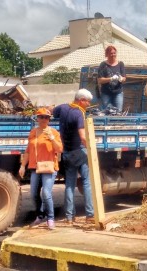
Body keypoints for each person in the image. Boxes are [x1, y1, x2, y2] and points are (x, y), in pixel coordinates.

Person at [53, 89, 94, 224]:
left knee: (69, 185)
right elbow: (82, 137)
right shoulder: (78, 114)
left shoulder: (63, 107)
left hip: (67, 152)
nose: (88, 104)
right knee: (87, 183)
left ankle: (69, 217)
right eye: (87, 102)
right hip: (79, 151)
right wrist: (91, 148)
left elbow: (52, 111)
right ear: (81, 100)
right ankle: (90, 215)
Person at [19, 108, 63, 230]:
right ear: (37, 118)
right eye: (41, 117)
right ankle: (40, 216)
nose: (44, 119)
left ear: (49, 119)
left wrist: (52, 139)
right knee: (33, 194)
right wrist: (23, 166)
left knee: (46, 193)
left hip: (49, 167)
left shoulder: (53, 132)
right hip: (35, 167)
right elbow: (28, 151)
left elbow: (59, 149)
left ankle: (50, 218)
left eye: (46, 117)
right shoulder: (33, 132)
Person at [97, 45, 126, 112]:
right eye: (111, 53)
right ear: (107, 54)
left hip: (118, 93)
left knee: (118, 112)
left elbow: (124, 78)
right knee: (106, 112)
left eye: (114, 53)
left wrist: (121, 79)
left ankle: (117, 122)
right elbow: (100, 80)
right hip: (106, 93)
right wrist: (111, 79)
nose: (113, 55)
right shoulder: (103, 65)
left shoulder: (121, 64)